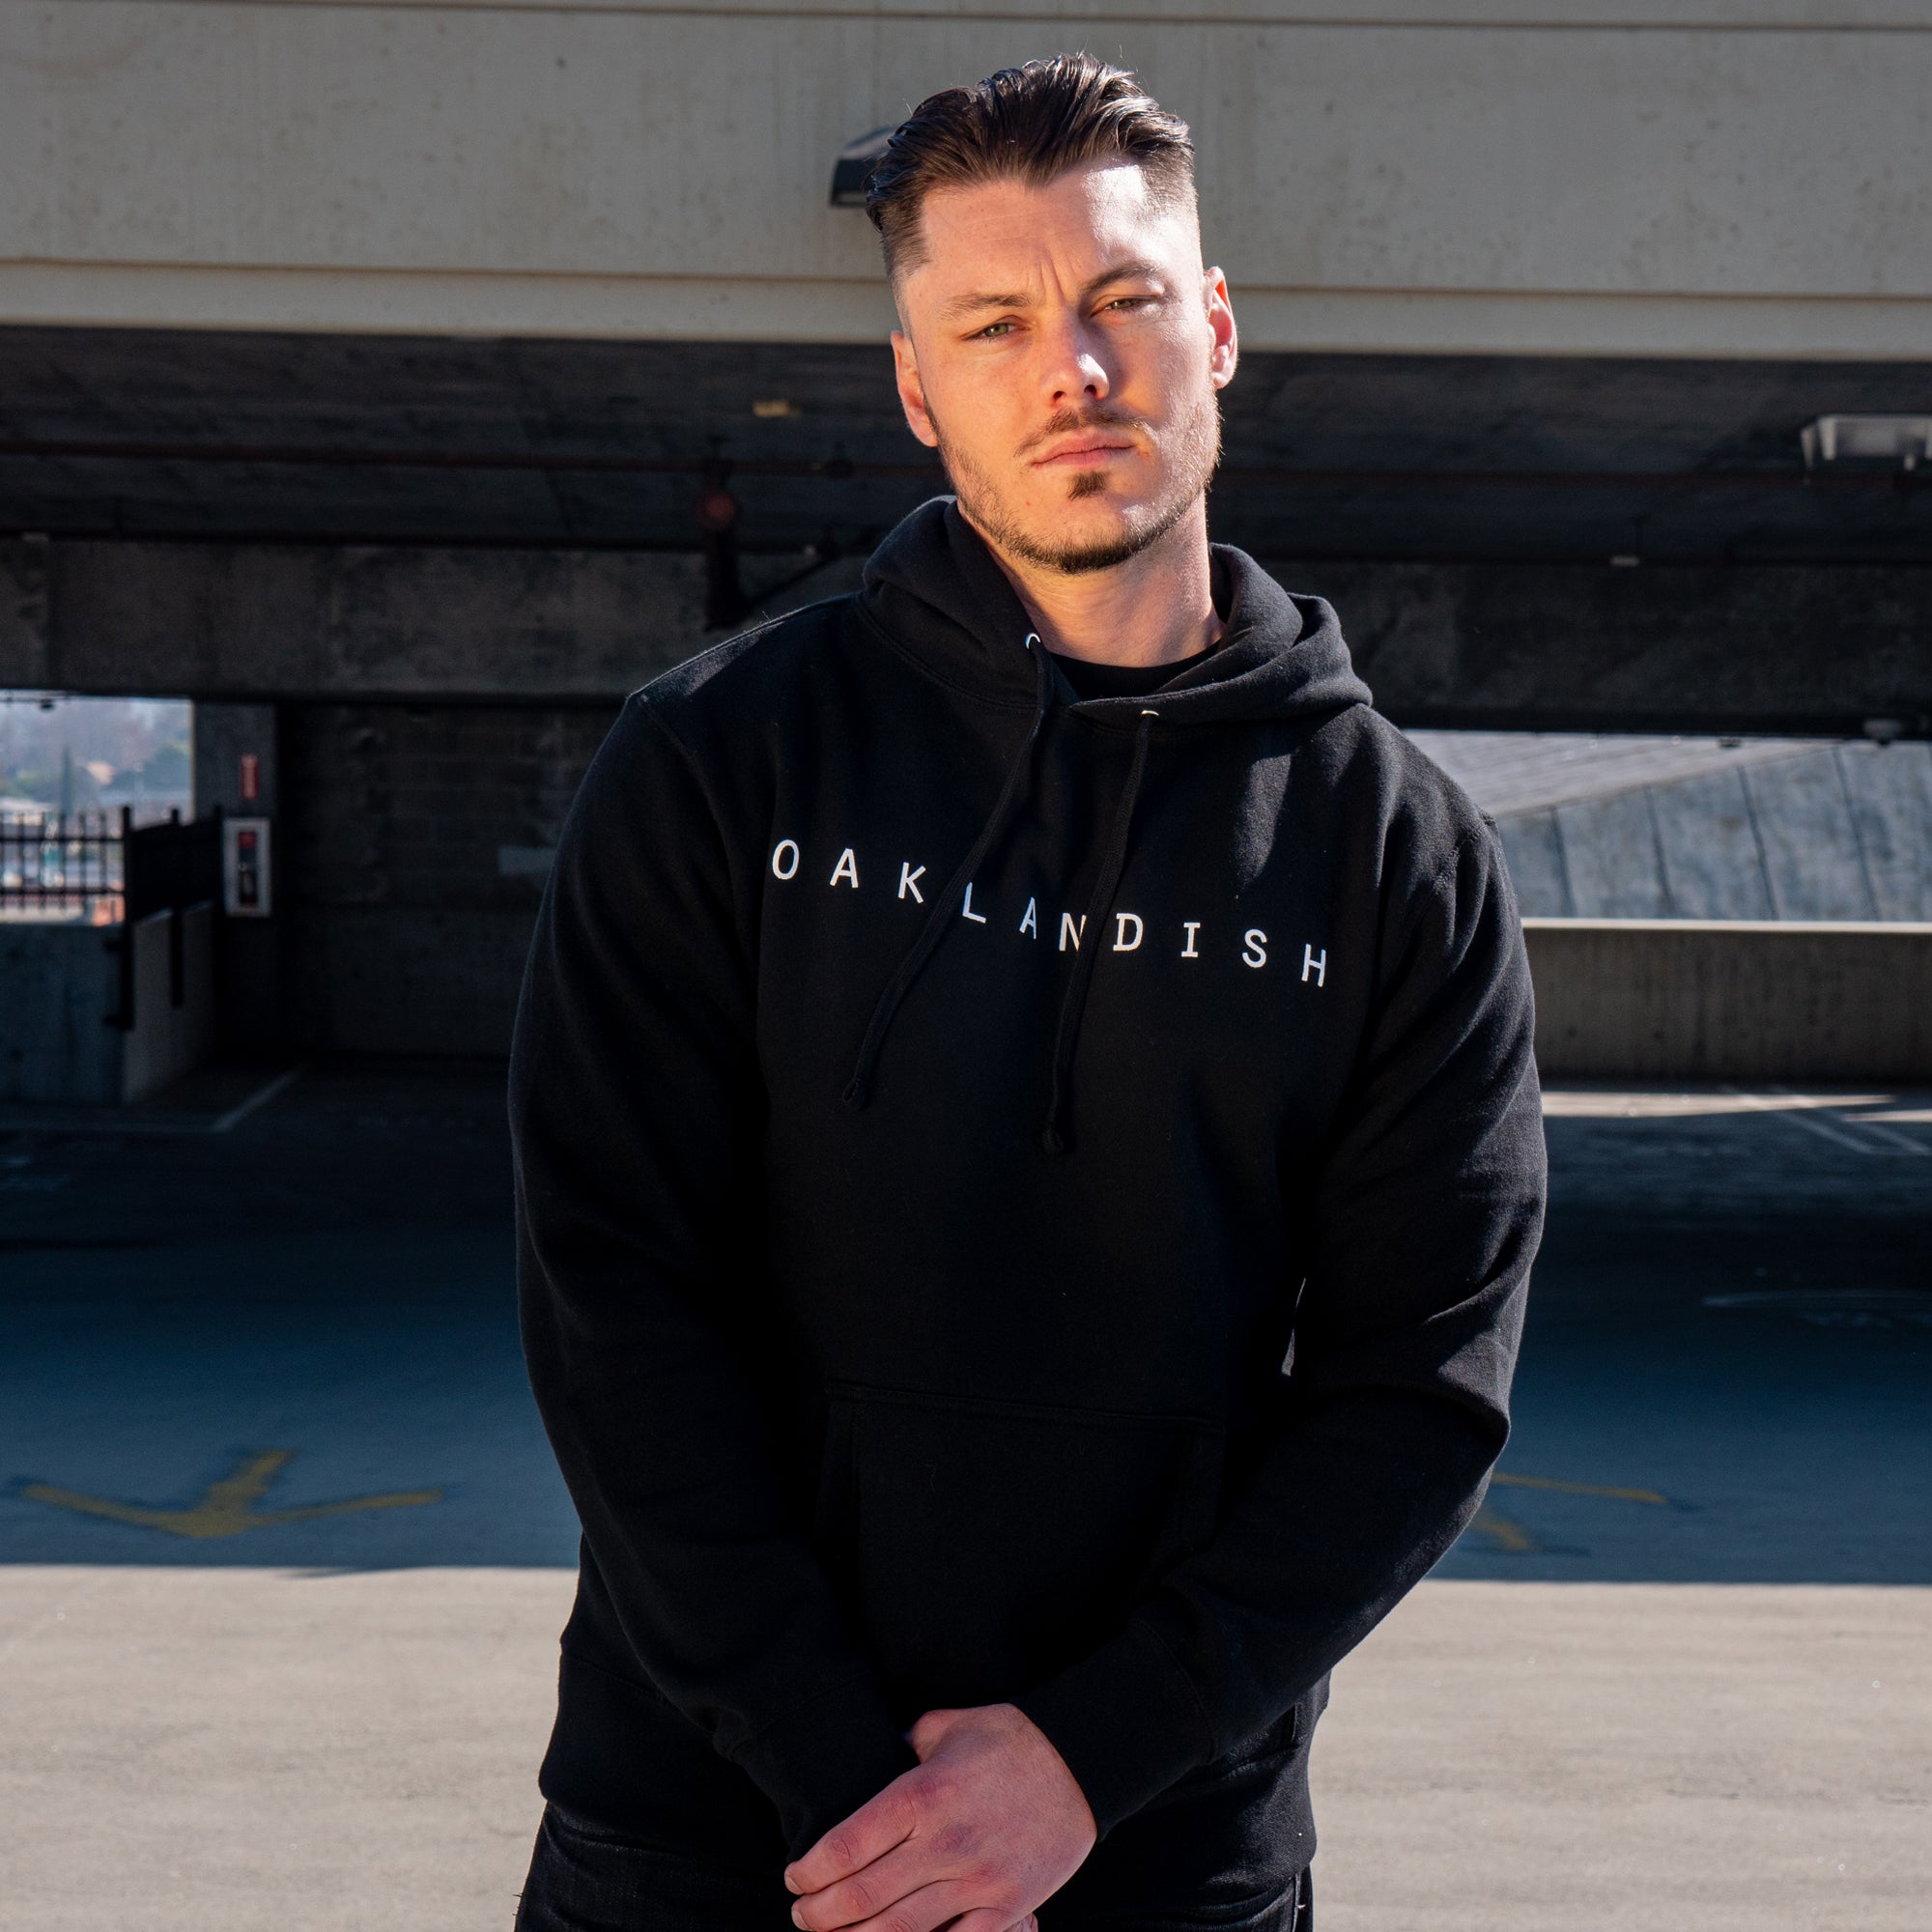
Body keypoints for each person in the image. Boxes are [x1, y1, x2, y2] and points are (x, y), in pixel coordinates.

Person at [510, 53, 1545, 1932]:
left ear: (1211, 329)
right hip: (709, 1839)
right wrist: (854, 1785)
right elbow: (612, 1295)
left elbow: (1414, 1392)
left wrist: (1077, 1765)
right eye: (992, 321)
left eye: (1122, 300)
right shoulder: (720, 761)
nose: (1071, 368)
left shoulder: (1396, 856)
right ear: (919, 387)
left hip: (1156, 1853)